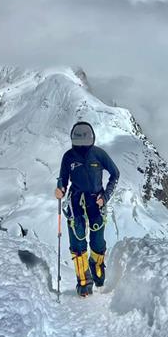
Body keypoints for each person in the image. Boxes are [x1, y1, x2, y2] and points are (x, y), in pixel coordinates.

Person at [55, 121, 119, 297]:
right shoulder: (69, 157)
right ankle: (84, 282)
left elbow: (115, 174)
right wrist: (60, 188)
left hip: (95, 203)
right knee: (78, 241)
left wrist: (105, 197)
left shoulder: (98, 154)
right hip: (76, 203)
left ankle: (97, 270)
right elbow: (63, 178)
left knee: (97, 241)